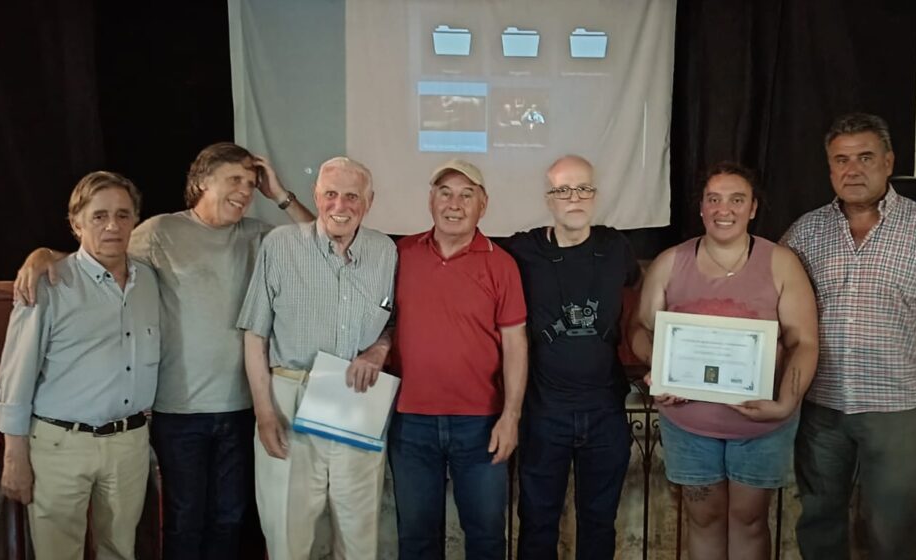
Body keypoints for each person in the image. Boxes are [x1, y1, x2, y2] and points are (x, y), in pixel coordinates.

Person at [13, 142, 315, 560]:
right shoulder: (160, 232)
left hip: (241, 407)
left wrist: (279, 195)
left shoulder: (257, 236)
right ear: (203, 181)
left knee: (230, 518)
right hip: (178, 410)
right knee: (185, 519)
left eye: (251, 183)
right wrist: (44, 255)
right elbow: (101, 253)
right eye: (235, 180)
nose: (246, 191)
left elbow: (318, 246)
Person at [783, 113, 916, 560]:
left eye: (865, 157)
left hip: (895, 408)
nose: (852, 170)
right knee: (819, 523)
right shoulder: (806, 231)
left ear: (888, 162)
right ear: (830, 169)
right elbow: (771, 306)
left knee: (895, 531)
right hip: (820, 407)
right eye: (841, 160)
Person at [630, 162, 820, 560]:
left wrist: (785, 403)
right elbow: (641, 329)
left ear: (753, 208)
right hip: (688, 422)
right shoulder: (670, 262)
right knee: (703, 519)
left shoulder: (781, 262)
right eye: (713, 199)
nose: (724, 209)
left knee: (750, 520)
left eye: (737, 199)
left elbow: (803, 341)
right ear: (701, 207)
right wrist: (659, 369)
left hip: (761, 424)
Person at [237, 156, 396, 559]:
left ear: (370, 201)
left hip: (355, 395)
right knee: (288, 535)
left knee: (359, 537)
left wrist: (379, 349)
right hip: (290, 397)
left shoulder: (385, 251)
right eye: (330, 194)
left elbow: (393, 321)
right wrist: (264, 413)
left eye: (352, 196)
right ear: (316, 195)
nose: (340, 206)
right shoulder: (280, 245)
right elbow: (254, 335)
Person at [0, 171, 159, 560]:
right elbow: (16, 373)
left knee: (120, 550)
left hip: (129, 444)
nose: (112, 226)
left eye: (122, 215)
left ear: (135, 220)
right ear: (76, 224)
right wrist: (14, 455)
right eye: (99, 216)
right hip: (61, 446)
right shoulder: (48, 283)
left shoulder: (150, 281)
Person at [389, 159, 528, 560]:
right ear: (430, 201)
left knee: (486, 537)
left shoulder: (501, 264)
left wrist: (511, 416)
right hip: (410, 422)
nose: (455, 204)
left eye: (467, 195)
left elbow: (515, 345)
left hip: (481, 424)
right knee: (416, 538)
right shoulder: (401, 254)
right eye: (445, 193)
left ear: (483, 205)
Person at [504, 155, 640, 559]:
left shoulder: (616, 248)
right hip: (544, 412)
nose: (574, 198)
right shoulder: (522, 250)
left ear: (595, 195)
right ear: (549, 199)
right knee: (537, 522)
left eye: (583, 188)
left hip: (605, 412)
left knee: (599, 524)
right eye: (563, 190)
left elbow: (646, 300)